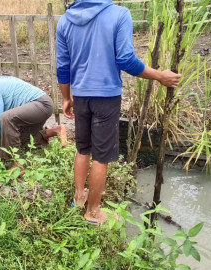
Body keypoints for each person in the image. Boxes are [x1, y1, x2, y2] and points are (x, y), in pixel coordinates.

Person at [55, 0, 181, 225]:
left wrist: (66, 97)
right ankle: (93, 212)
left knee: (83, 149)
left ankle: (79, 197)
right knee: (101, 158)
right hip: (106, 96)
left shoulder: (66, 20)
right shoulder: (119, 14)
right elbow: (125, 60)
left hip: (81, 96)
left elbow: (63, 66)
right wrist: (160, 76)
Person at [0, 71, 68, 169]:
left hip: (40, 104)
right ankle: (56, 131)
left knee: (6, 118)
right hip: (39, 107)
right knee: (15, 139)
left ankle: (15, 164)